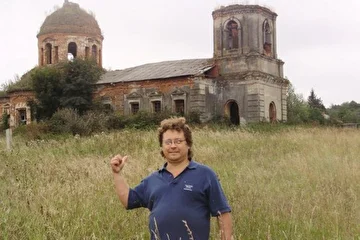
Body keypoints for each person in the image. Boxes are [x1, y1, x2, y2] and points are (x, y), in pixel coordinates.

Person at [110, 117, 233, 239]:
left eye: (178, 141)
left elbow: (222, 213)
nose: (173, 146)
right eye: (168, 142)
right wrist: (117, 174)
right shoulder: (153, 179)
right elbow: (128, 200)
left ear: (188, 144)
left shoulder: (205, 174)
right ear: (162, 147)